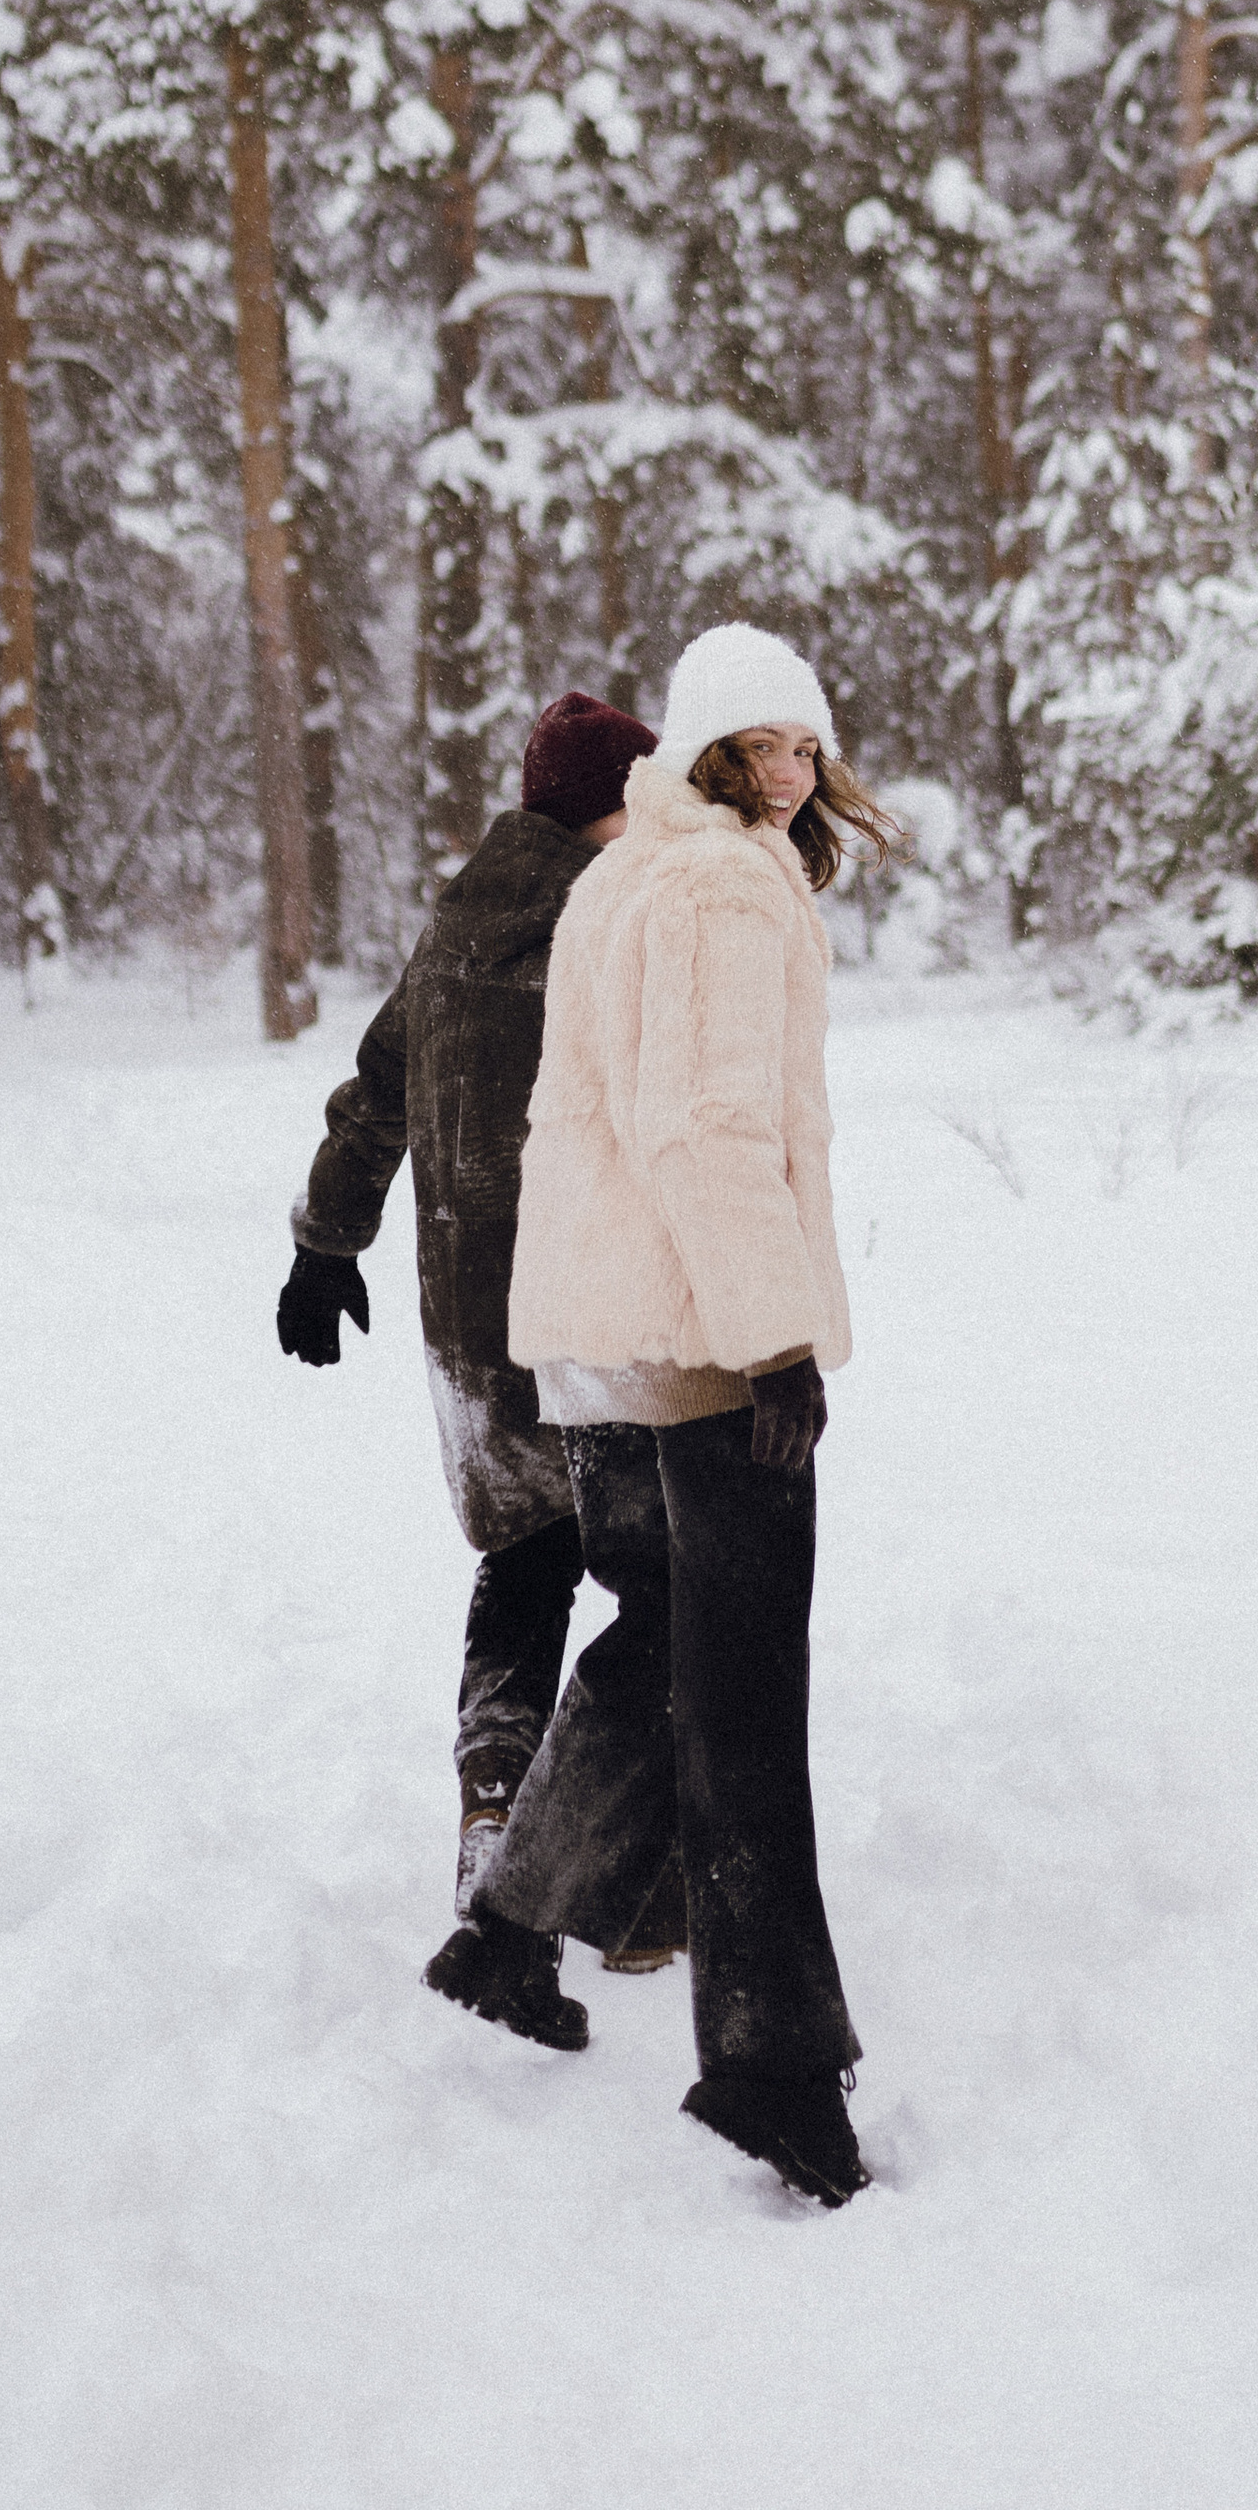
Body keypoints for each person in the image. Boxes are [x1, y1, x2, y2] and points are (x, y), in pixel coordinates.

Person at [427, 620, 900, 2211]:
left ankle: (506, 1931)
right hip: (698, 1336)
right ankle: (773, 2069)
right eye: (762, 747)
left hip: (614, 1335)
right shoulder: (712, 885)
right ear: (706, 752)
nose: (792, 772)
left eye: (804, 745)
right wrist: (775, 1347)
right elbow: (702, 1130)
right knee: (751, 1695)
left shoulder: (636, 875)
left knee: (673, 1634)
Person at [275, 688, 662, 1949]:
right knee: (660, 1593)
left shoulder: (457, 927)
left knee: (526, 1566)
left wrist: (326, 1244)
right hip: (592, 1314)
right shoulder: (608, 921)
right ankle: (631, 1876)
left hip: (468, 1330)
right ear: (611, 802)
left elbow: (378, 1085)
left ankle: (494, 1804)